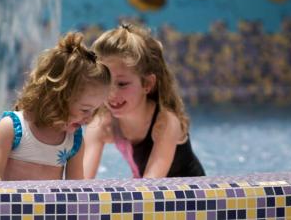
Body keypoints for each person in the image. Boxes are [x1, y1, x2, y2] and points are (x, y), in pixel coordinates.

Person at [0, 32, 111, 181]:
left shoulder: (73, 141)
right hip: (12, 203)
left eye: (94, 110)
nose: (90, 118)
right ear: (57, 97)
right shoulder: (12, 128)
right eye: (85, 109)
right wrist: (6, 203)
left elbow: (76, 188)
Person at [84, 24, 205, 178]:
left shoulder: (165, 123)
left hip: (193, 198)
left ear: (147, 84)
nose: (111, 94)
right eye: (105, 83)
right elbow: (81, 184)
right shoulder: (102, 125)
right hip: (148, 193)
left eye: (122, 84)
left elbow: (149, 188)